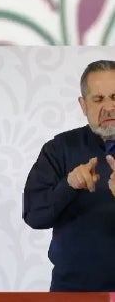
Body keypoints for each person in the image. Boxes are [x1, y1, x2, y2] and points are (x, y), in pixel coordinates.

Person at [22, 59, 115, 292]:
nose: (109, 107)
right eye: (98, 99)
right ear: (83, 105)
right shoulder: (59, 149)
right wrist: (68, 185)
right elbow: (33, 215)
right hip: (72, 290)